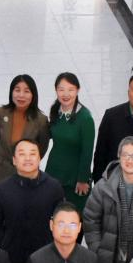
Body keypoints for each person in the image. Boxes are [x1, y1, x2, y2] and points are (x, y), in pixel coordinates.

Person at [0, 139, 65, 263]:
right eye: (22, 154)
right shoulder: (2, 190)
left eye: (32, 154)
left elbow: (60, 221)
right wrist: (5, 244)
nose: (28, 158)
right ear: (14, 160)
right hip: (12, 257)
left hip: (45, 257)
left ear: (40, 158)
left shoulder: (54, 187)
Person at [44, 72, 95, 212]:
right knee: (52, 213)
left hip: (74, 178)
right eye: (61, 89)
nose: (66, 94)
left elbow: (87, 151)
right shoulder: (56, 110)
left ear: (78, 90)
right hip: (54, 171)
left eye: (71, 90)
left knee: (74, 215)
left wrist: (83, 179)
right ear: (56, 90)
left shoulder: (85, 118)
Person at [0, 74, 51, 186]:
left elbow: (42, 148)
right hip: (1, 171)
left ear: (33, 95)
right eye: (17, 90)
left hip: (26, 173)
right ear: (11, 92)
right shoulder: (1, 112)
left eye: (26, 91)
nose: (21, 95)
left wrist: (27, 161)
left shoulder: (41, 120)